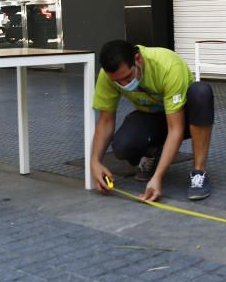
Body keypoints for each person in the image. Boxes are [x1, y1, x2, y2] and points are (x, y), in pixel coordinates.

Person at [90, 39, 214, 202]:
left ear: (138, 59)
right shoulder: (107, 77)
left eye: (128, 77)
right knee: (122, 146)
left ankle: (199, 172)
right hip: (152, 118)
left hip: (183, 118)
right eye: (117, 82)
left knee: (201, 93)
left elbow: (175, 129)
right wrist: (95, 161)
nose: (124, 84)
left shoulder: (168, 66)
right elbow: (105, 121)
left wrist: (157, 178)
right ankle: (152, 152)